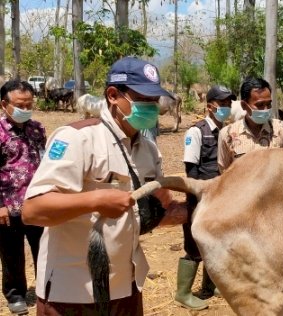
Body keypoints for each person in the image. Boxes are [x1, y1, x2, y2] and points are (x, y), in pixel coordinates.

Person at [21, 56, 183, 315]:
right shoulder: (77, 139)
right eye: (143, 99)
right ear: (112, 95)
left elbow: (141, 215)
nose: (152, 107)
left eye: (154, 101)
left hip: (125, 287)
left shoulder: (148, 149)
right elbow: (32, 210)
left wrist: (179, 213)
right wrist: (95, 201)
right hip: (73, 292)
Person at [177, 85, 236, 310]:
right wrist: (199, 198)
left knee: (215, 243)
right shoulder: (196, 131)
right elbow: (190, 170)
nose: (226, 108)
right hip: (200, 197)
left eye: (229, 104)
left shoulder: (228, 131)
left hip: (221, 197)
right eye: (222, 104)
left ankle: (210, 286)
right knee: (193, 245)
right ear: (210, 105)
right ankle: (182, 293)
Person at [0, 80, 46, 315]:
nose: (26, 109)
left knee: (44, 249)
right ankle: (15, 294)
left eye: (29, 104)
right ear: (4, 105)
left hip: (37, 203)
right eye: (20, 104)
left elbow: (46, 160)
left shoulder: (37, 128)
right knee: (11, 252)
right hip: (8, 206)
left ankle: (45, 291)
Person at [217, 77, 283, 172]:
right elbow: (224, 173)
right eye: (260, 105)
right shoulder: (227, 135)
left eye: (268, 104)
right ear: (244, 105)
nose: (266, 109)